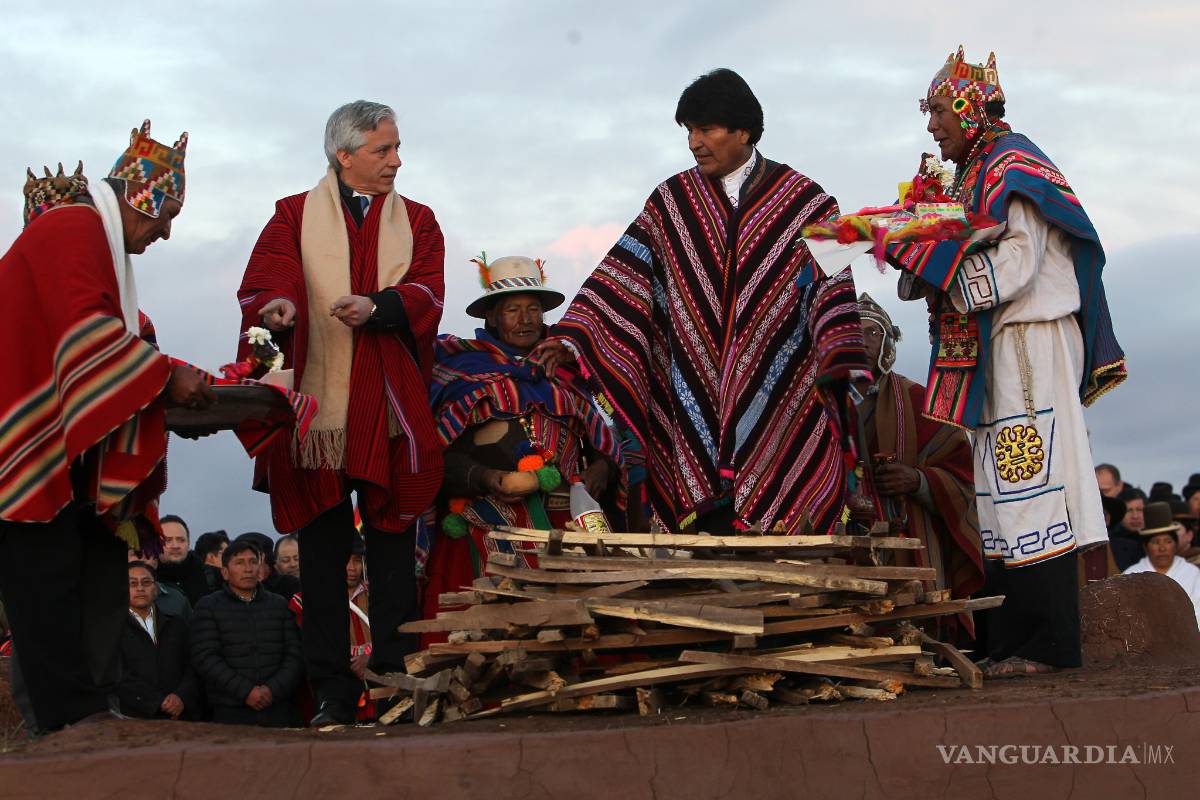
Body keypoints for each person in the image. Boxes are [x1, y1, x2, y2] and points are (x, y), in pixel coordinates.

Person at [536, 68, 867, 535]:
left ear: (744, 130)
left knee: (783, 543)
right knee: (705, 537)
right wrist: (574, 335)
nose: (694, 142)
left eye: (706, 129)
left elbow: (832, 284)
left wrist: (839, 350)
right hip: (692, 397)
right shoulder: (671, 202)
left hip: (780, 400)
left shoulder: (807, 203)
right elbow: (622, 276)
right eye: (688, 131)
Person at [885, 48, 1126, 677]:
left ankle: (1045, 646)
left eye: (937, 110)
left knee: (1029, 485)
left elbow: (1017, 264)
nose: (930, 125)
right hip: (996, 349)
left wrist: (938, 266)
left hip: (1026, 344)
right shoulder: (974, 176)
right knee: (998, 494)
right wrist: (915, 250)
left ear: (969, 106)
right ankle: (1006, 639)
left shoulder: (1013, 165)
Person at [236, 100, 445, 726]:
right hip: (318, 418)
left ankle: (393, 684)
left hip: (385, 411)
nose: (396, 161)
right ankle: (330, 692)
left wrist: (380, 306)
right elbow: (265, 278)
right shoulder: (292, 214)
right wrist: (277, 307)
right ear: (344, 154)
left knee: (390, 560)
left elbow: (430, 288)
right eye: (384, 150)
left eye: (397, 148)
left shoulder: (420, 219)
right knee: (321, 563)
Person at [0, 122, 213, 731]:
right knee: (41, 580)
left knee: (67, 571)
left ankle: (82, 713)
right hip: (25, 448)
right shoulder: (74, 227)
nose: (167, 231)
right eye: (166, 213)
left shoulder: (86, 233)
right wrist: (168, 380)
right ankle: (68, 724)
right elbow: (88, 335)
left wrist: (171, 378)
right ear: (140, 197)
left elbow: (108, 341)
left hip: (44, 446)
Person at [421, 256, 624, 635]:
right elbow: (436, 452)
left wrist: (602, 467)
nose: (525, 319)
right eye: (513, 309)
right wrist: (486, 476)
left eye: (533, 309)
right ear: (492, 317)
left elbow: (605, 432)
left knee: (581, 626)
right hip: (483, 521)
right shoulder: (461, 369)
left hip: (568, 519)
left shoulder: (569, 371)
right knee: (482, 631)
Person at [851, 294, 983, 635]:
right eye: (854, 332)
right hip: (841, 534)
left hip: (907, 533)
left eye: (873, 333)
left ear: (888, 342)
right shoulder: (820, 403)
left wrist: (918, 481)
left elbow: (963, 477)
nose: (863, 341)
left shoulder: (919, 400)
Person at [190, 541, 303, 727]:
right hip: (229, 711)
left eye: (253, 562)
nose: (248, 568)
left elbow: (294, 654)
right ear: (225, 572)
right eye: (240, 563)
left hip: (278, 708)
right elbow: (205, 657)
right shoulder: (208, 607)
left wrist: (271, 690)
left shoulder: (279, 604)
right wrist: (246, 692)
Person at [117, 562, 199, 720]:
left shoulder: (176, 624)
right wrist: (157, 702)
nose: (140, 588)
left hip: (181, 714)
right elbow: (118, 674)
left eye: (146, 582)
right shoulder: (113, 630)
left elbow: (193, 667)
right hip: (135, 717)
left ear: (156, 588)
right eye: (132, 583)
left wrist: (180, 697)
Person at [1122, 503, 1200, 627]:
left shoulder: (1192, 573)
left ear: (1175, 544)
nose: (1162, 548)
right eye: (1155, 542)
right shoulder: (1130, 576)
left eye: (1168, 541)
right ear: (1146, 547)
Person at [156, 514, 212, 605]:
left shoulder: (210, 575)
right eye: (167, 540)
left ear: (189, 543)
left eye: (181, 540)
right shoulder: (145, 578)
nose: (175, 546)